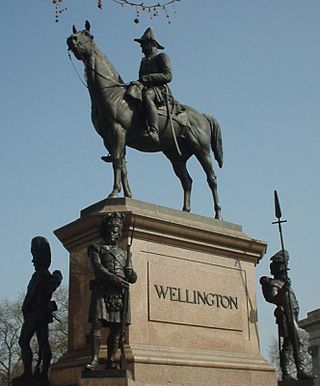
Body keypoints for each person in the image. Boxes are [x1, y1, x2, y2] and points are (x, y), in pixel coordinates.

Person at [86, 212, 137, 370]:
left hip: (120, 294)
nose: (112, 233)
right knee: (96, 325)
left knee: (116, 330)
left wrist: (130, 273)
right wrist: (116, 280)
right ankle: (94, 359)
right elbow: (98, 268)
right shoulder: (96, 248)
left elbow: (133, 277)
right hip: (102, 291)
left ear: (120, 233)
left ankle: (110, 360)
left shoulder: (125, 253)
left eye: (115, 231)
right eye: (110, 230)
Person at [260, 250, 314, 381]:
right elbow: (273, 299)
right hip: (286, 314)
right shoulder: (275, 284)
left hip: (294, 312)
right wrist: (284, 289)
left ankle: (291, 372)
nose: (285, 272)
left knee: (291, 343)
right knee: (296, 341)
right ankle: (297, 371)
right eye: (284, 269)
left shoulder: (285, 282)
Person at [14, 237, 63, 382]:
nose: (33, 260)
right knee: (43, 343)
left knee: (24, 341)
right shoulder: (41, 275)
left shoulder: (42, 275)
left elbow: (35, 296)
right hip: (37, 313)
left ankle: (32, 373)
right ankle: (38, 373)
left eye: (34, 256)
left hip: (36, 313)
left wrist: (27, 309)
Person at [134, 27, 173, 143]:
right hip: (144, 88)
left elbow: (168, 76)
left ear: (151, 44)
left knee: (147, 96)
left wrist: (147, 78)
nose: (141, 48)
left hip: (159, 90)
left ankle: (154, 131)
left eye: (143, 45)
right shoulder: (144, 61)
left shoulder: (161, 57)